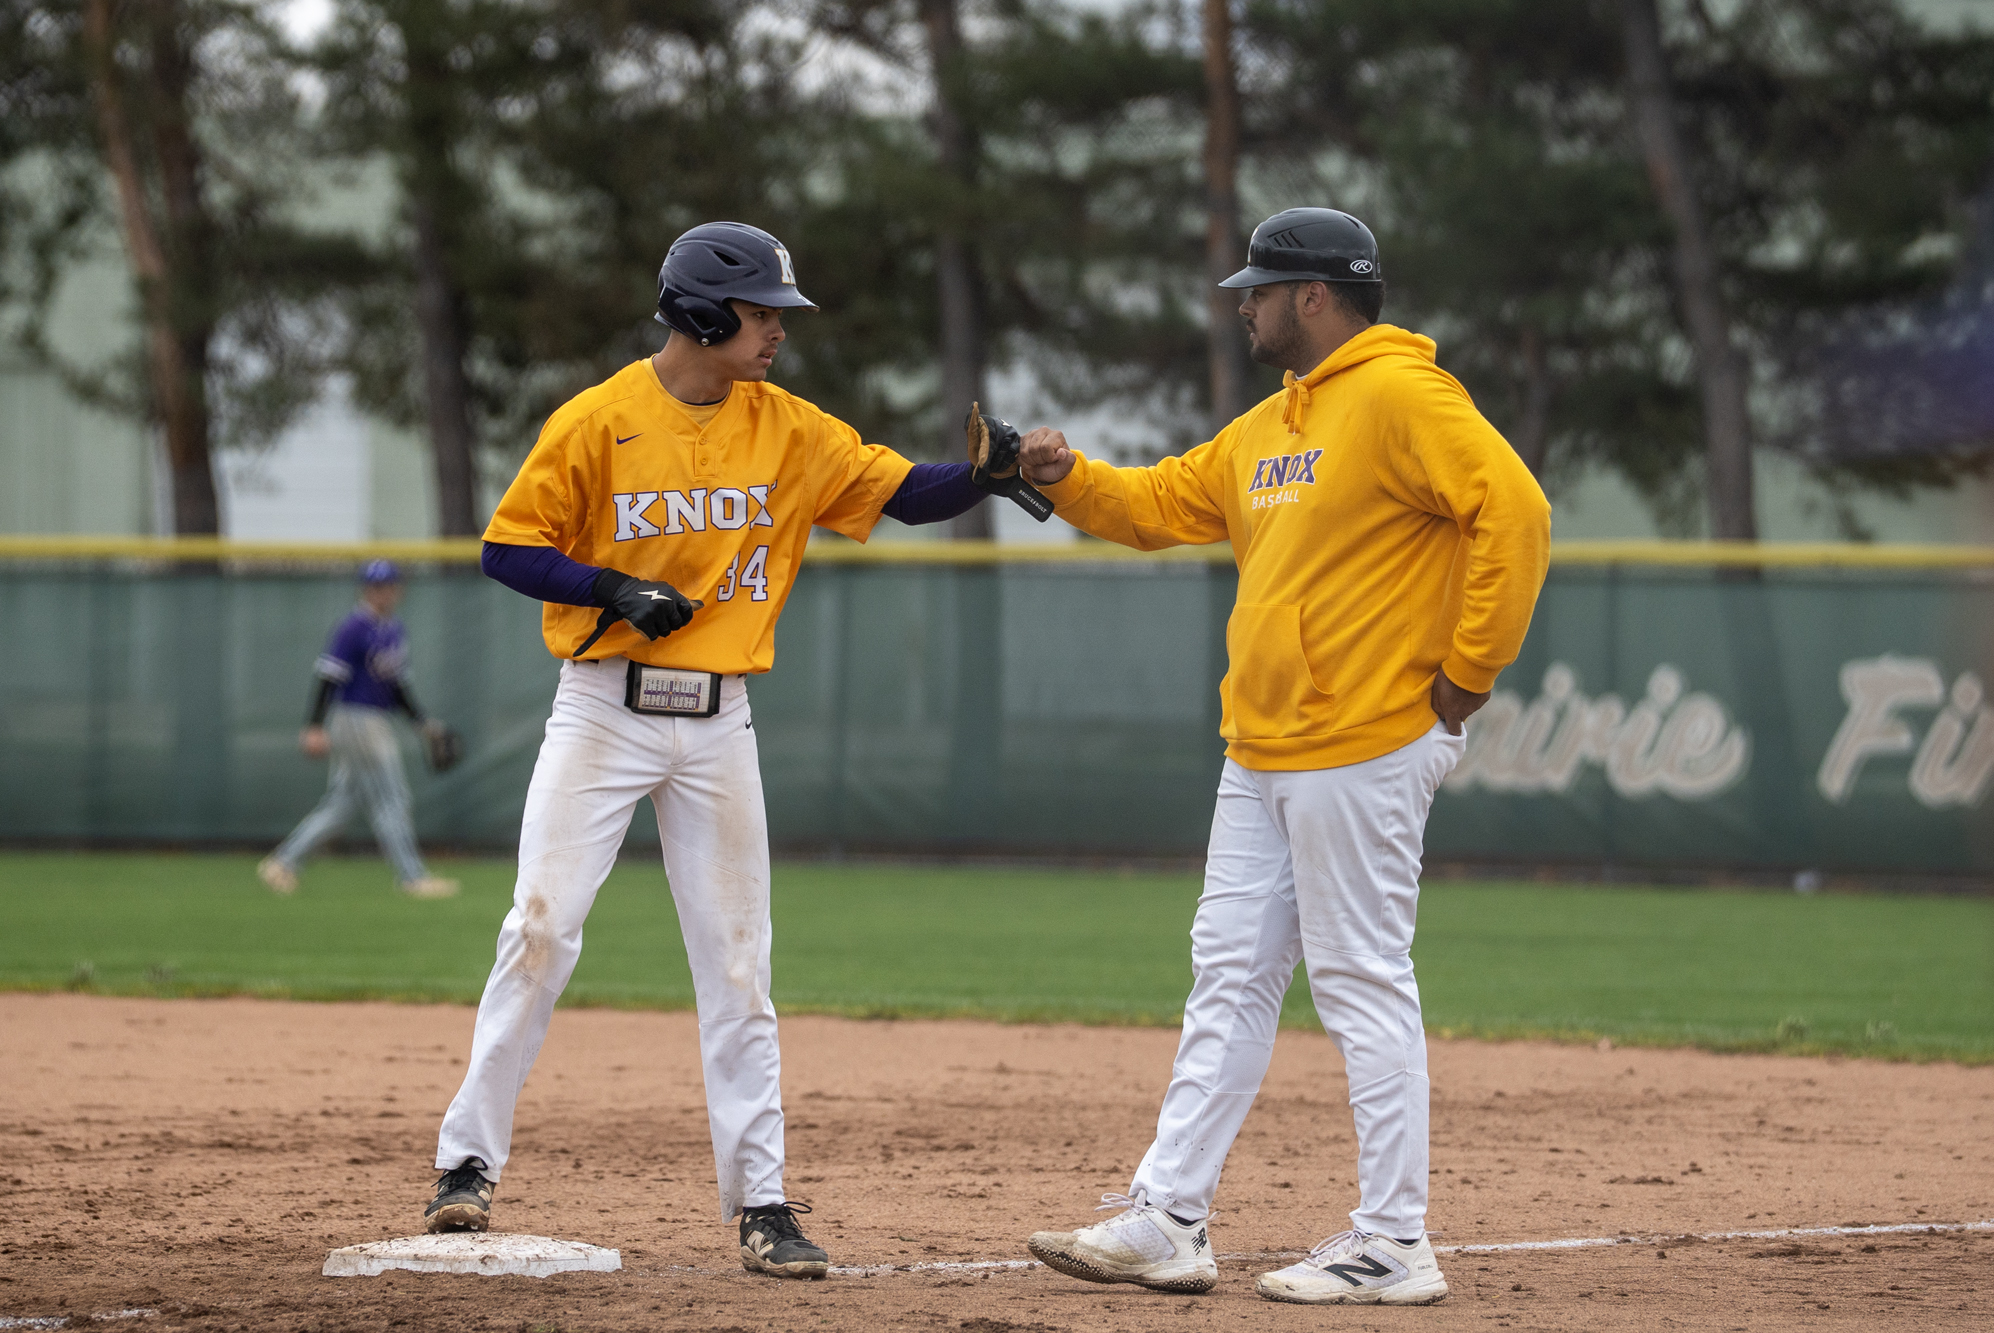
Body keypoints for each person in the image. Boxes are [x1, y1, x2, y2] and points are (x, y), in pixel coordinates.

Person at [423, 222, 1000, 1278]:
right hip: (601, 710)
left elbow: (897, 491)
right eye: (761, 313)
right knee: (539, 929)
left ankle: (763, 1203)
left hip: (717, 722)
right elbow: (507, 546)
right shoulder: (598, 420)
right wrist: (609, 586)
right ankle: (465, 1163)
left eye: (779, 314)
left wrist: (981, 474)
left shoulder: (786, 427)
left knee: (739, 964)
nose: (778, 331)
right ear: (698, 314)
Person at [1018, 208, 1551, 1306]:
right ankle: (1168, 1216)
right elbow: (1159, 502)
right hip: (1259, 747)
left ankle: (1394, 1240)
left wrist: (1466, 676)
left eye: (1258, 289)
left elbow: (1514, 511)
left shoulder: (1403, 396)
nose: (1244, 304)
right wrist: (1066, 475)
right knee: (1227, 976)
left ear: (1313, 296)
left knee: (1359, 979)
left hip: (1362, 740)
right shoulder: (1272, 425)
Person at [258, 560, 460, 900]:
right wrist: (314, 725)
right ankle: (412, 877)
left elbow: (397, 686)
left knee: (342, 804)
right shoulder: (353, 627)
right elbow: (328, 676)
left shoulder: (393, 629)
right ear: (365, 590)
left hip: (376, 718)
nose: (383, 592)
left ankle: (283, 862)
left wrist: (421, 722)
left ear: (398, 589)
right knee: (392, 797)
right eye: (376, 586)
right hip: (356, 718)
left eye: (389, 585)